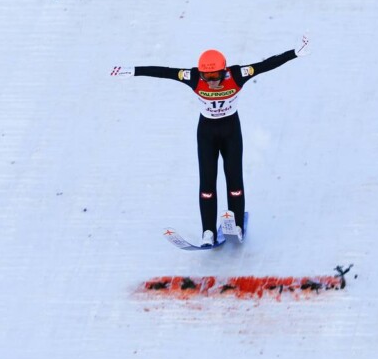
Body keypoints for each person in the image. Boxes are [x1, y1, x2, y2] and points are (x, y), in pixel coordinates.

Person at [111, 36, 310, 246]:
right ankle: (207, 231)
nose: (212, 81)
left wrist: (295, 53)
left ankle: (238, 225)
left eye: (215, 76)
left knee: (234, 180)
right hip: (206, 133)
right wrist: (133, 71)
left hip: (231, 132)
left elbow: (267, 64)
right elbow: (163, 71)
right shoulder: (193, 77)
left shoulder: (236, 74)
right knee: (207, 183)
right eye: (207, 76)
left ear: (224, 70)